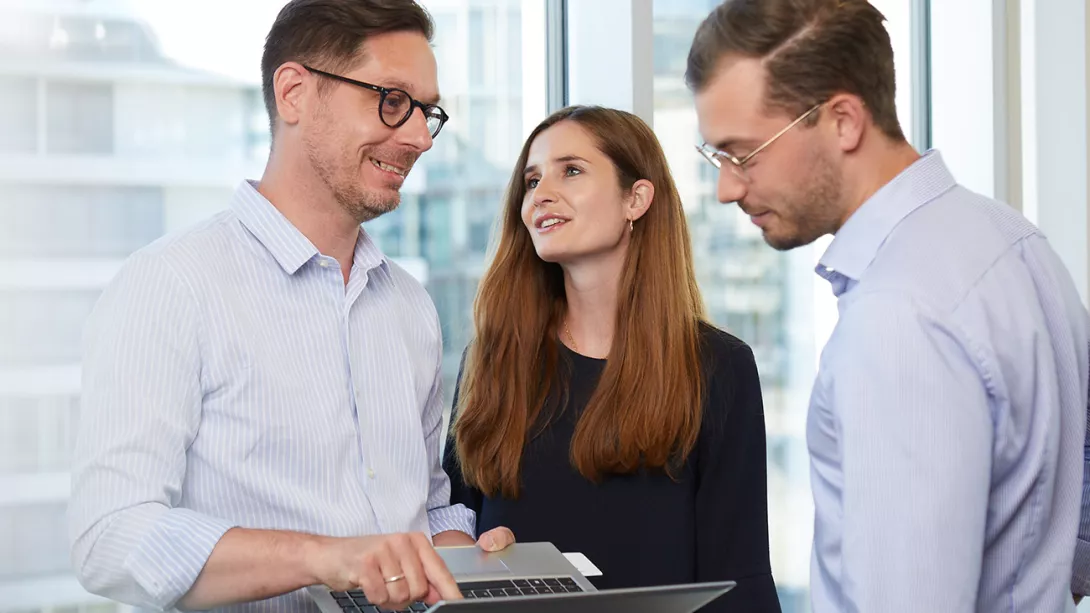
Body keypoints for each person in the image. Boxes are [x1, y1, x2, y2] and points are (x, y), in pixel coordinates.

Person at [67, 2, 510, 611]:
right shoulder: (171, 284)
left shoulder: (410, 307)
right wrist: (323, 557)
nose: (418, 137)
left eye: (426, 112)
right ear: (294, 93)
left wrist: (470, 562)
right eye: (392, 100)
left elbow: (428, 507)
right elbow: (109, 537)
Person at [685, 0, 1090, 611]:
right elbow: (1075, 535)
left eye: (743, 154)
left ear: (843, 121)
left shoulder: (897, 316)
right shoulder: (1013, 239)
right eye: (716, 158)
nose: (726, 188)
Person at [442, 105, 782, 612]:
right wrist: (471, 558)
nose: (541, 194)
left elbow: (741, 579)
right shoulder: (492, 361)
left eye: (571, 171)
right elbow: (450, 526)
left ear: (635, 199)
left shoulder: (718, 367)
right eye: (532, 181)